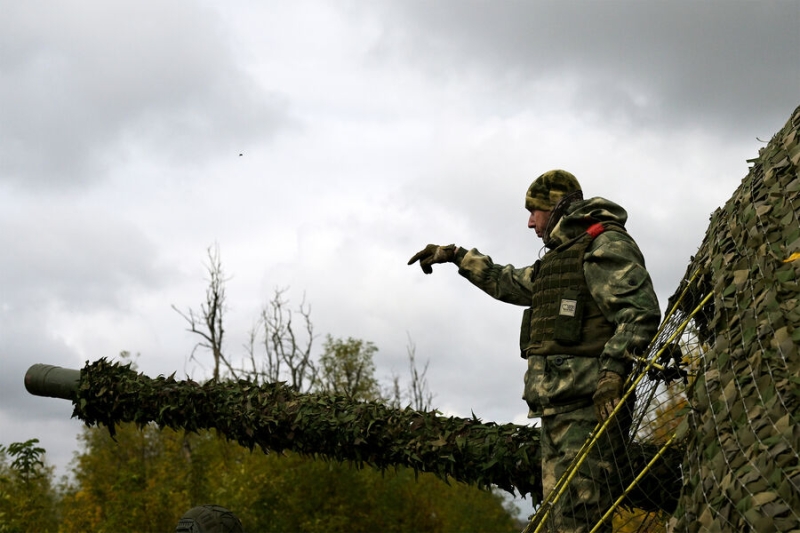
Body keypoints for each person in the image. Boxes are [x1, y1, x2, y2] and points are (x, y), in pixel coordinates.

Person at [408, 170, 660, 532]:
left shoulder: (604, 244)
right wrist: (455, 255)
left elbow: (639, 313)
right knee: (562, 520)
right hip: (558, 411)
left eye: (535, 211)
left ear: (557, 208)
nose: (530, 222)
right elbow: (506, 281)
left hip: (589, 410)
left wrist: (611, 373)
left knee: (579, 522)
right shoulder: (561, 259)